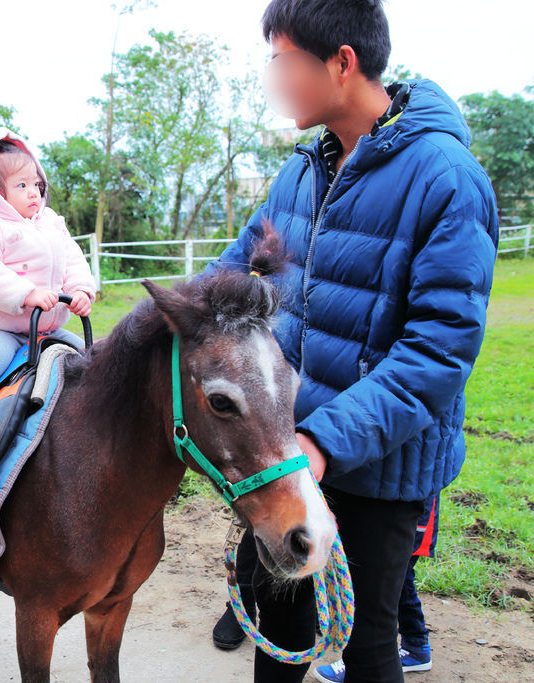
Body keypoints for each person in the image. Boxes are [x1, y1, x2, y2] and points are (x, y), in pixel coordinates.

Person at [207, 1, 498, 681]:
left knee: (366, 643)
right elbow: (226, 275)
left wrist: (327, 442)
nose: (274, 81)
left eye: (283, 63)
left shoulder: (445, 178)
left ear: (341, 62)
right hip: (286, 455)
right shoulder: (301, 172)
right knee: (275, 625)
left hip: (377, 465)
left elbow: (439, 351)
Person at [0, 127, 96, 456]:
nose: (33, 193)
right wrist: (26, 294)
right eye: (21, 186)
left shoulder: (50, 222)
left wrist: (80, 289)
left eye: (36, 184)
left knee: (86, 356)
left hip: (46, 326)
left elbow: (71, 259)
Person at [314, 496, 440, 681]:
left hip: (408, 515)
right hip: (405, 510)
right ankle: (416, 645)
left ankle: (414, 645)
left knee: (389, 585)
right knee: (400, 582)